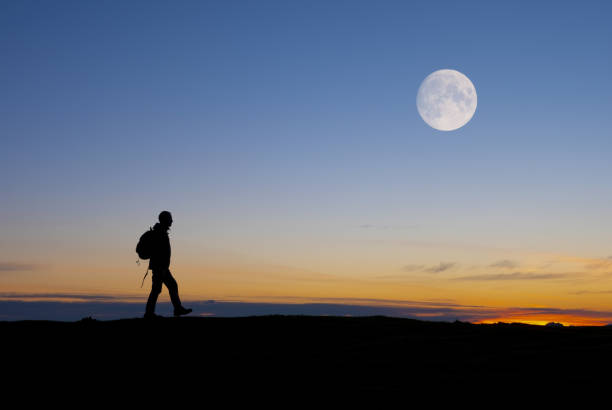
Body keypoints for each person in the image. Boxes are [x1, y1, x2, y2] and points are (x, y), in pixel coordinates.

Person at [144, 211, 192, 319]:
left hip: (161, 267)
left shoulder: (161, 231)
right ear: (165, 220)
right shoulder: (160, 233)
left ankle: (176, 309)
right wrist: (162, 268)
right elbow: (160, 252)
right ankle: (149, 313)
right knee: (158, 289)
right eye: (170, 219)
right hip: (160, 267)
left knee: (168, 286)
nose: (172, 221)